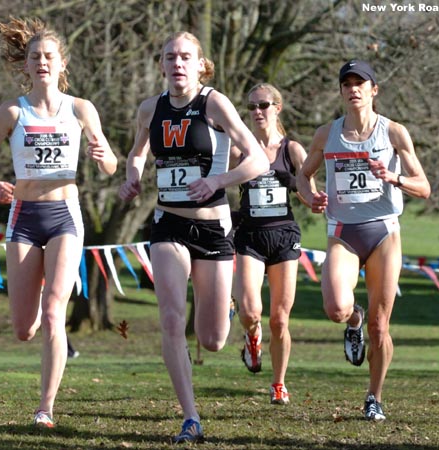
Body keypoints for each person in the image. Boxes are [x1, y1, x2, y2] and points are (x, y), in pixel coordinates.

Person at [118, 31, 269, 443]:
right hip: (168, 224)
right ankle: (190, 416)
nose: (177, 63)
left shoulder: (214, 103)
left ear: (201, 64)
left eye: (186, 56)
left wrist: (217, 179)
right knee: (170, 317)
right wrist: (132, 178)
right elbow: (136, 153)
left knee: (213, 339)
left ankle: (229, 310)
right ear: (162, 64)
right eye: (170, 57)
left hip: (213, 227)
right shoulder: (151, 109)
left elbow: (256, 159)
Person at [0, 17, 117, 428]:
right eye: (35, 56)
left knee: (55, 313)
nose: (42, 63)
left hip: (64, 216)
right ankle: (36, 308)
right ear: (27, 64)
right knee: (24, 329)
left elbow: (109, 167)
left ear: (61, 63)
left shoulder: (81, 109)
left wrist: (101, 153)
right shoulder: (12, 111)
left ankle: (45, 408)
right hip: (23, 216)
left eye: (49, 56)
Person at [297, 60, 430, 421]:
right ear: (341, 92)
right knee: (336, 309)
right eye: (347, 84)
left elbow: (424, 187)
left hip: (383, 230)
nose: (353, 89)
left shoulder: (394, 133)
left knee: (381, 325)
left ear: (374, 90)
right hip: (343, 232)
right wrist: (311, 198)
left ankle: (374, 396)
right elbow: (302, 175)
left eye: (361, 83)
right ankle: (352, 322)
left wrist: (394, 178)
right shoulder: (327, 134)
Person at [231, 83, 311, 405]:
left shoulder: (292, 150)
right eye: (251, 107)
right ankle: (252, 337)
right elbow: (218, 185)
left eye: (263, 105)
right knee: (251, 311)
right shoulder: (241, 151)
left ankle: (278, 383)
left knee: (279, 319)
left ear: (278, 107)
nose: (257, 112)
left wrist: (292, 182)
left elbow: (309, 194)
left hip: (283, 237)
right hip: (250, 234)